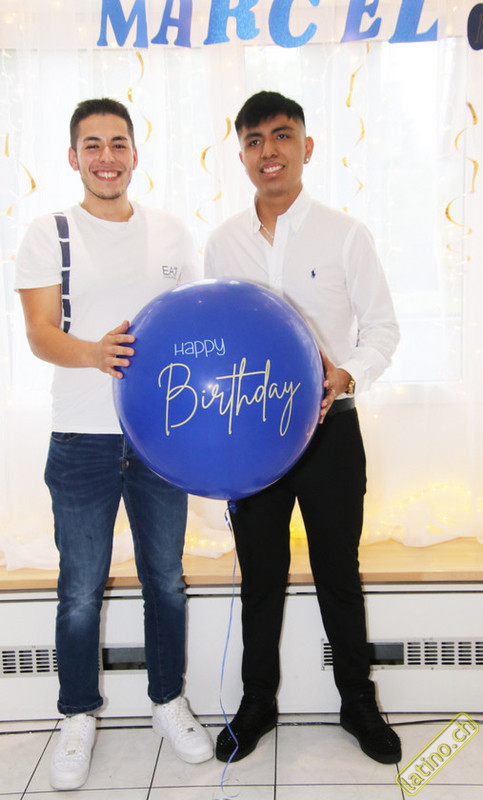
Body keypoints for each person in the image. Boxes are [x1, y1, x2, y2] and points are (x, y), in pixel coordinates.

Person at [15, 98, 213, 791]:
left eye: (118, 143)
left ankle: (168, 702)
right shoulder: (50, 232)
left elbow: (193, 330)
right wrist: (94, 354)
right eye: (93, 145)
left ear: (135, 153)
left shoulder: (171, 234)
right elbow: (40, 333)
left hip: (159, 439)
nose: (107, 157)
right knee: (79, 589)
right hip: (81, 440)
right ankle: (76, 716)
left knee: (166, 580)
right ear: (74, 157)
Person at [204, 91, 401, 765]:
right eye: (254, 140)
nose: (269, 151)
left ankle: (358, 703)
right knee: (260, 577)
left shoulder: (345, 234)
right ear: (241, 156)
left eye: (282, 135)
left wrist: (346, 373)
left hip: (329, 433)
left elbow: (382, 329)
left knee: (337, 573)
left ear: (306, 147)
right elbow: (220, 338)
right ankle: (256, 703)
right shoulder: (222, 242)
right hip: (253, 440)